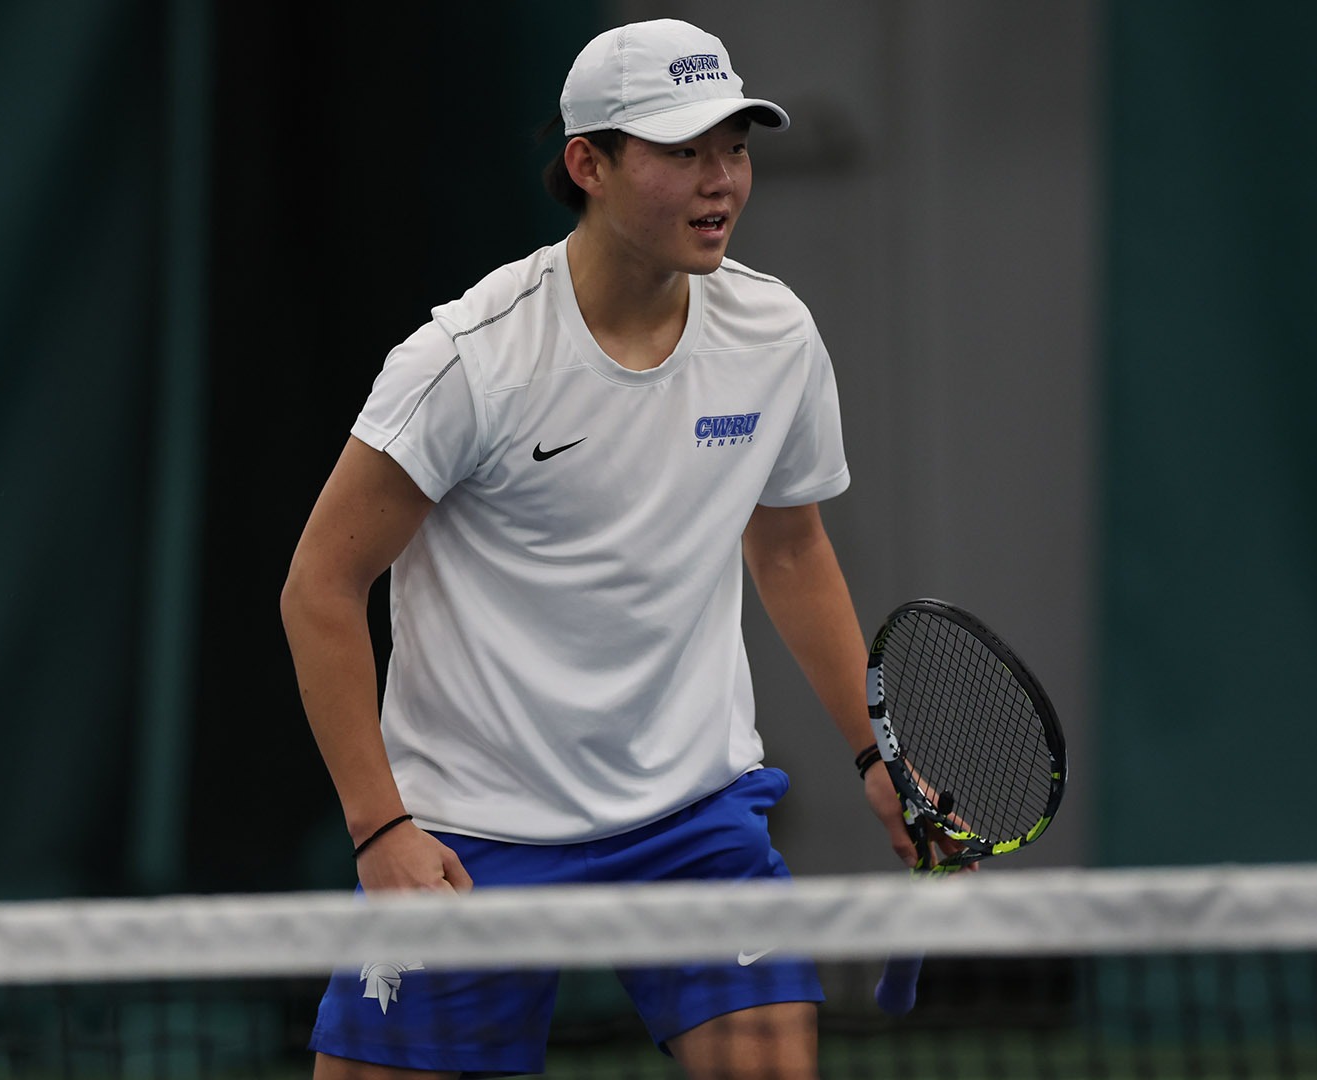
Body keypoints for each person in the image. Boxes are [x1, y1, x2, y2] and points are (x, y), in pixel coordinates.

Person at [281, 18, 926, 1079]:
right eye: (684, 153)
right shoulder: (468, 361)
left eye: (737, 148)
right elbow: (319, 588)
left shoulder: (774, 340)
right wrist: (378, 827)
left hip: (690, 821)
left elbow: (793, 550)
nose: (721, 182)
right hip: (469, 832)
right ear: (590, 163)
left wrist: (876, 756)